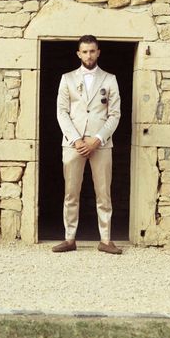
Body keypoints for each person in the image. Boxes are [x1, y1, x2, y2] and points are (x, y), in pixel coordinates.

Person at [52, 35, 122, 255]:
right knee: (71, 192)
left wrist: (97, 139)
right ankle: (69, 238)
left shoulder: (110, 79)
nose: (89, 55)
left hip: (100, 144)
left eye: (92, 51)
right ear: (78, 53)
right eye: (85, 51)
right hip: (73, 144)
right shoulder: (67, 78)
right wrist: (77, 140)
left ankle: (106, 239)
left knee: (103, 193)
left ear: (98, 52)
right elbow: (62, 112)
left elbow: (115, 114)